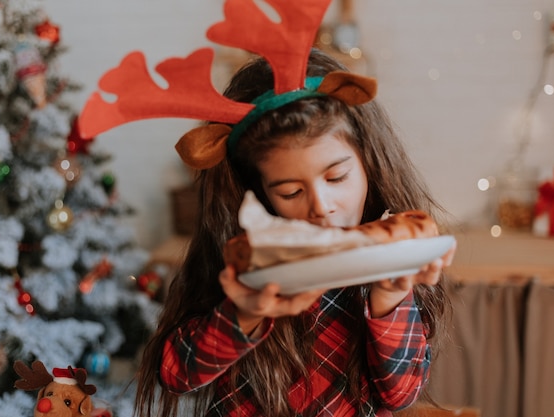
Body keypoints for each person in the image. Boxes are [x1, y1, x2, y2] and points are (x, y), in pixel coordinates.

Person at [134, 48, 455, 417]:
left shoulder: (396, 260)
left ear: (370, 162)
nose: (321, 206)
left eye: (337, 177)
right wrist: (244, 311)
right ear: (258, 192)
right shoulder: (242, 266)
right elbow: (176, 375)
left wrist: (391, 294)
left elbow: (400, 394)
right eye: (291, 192)